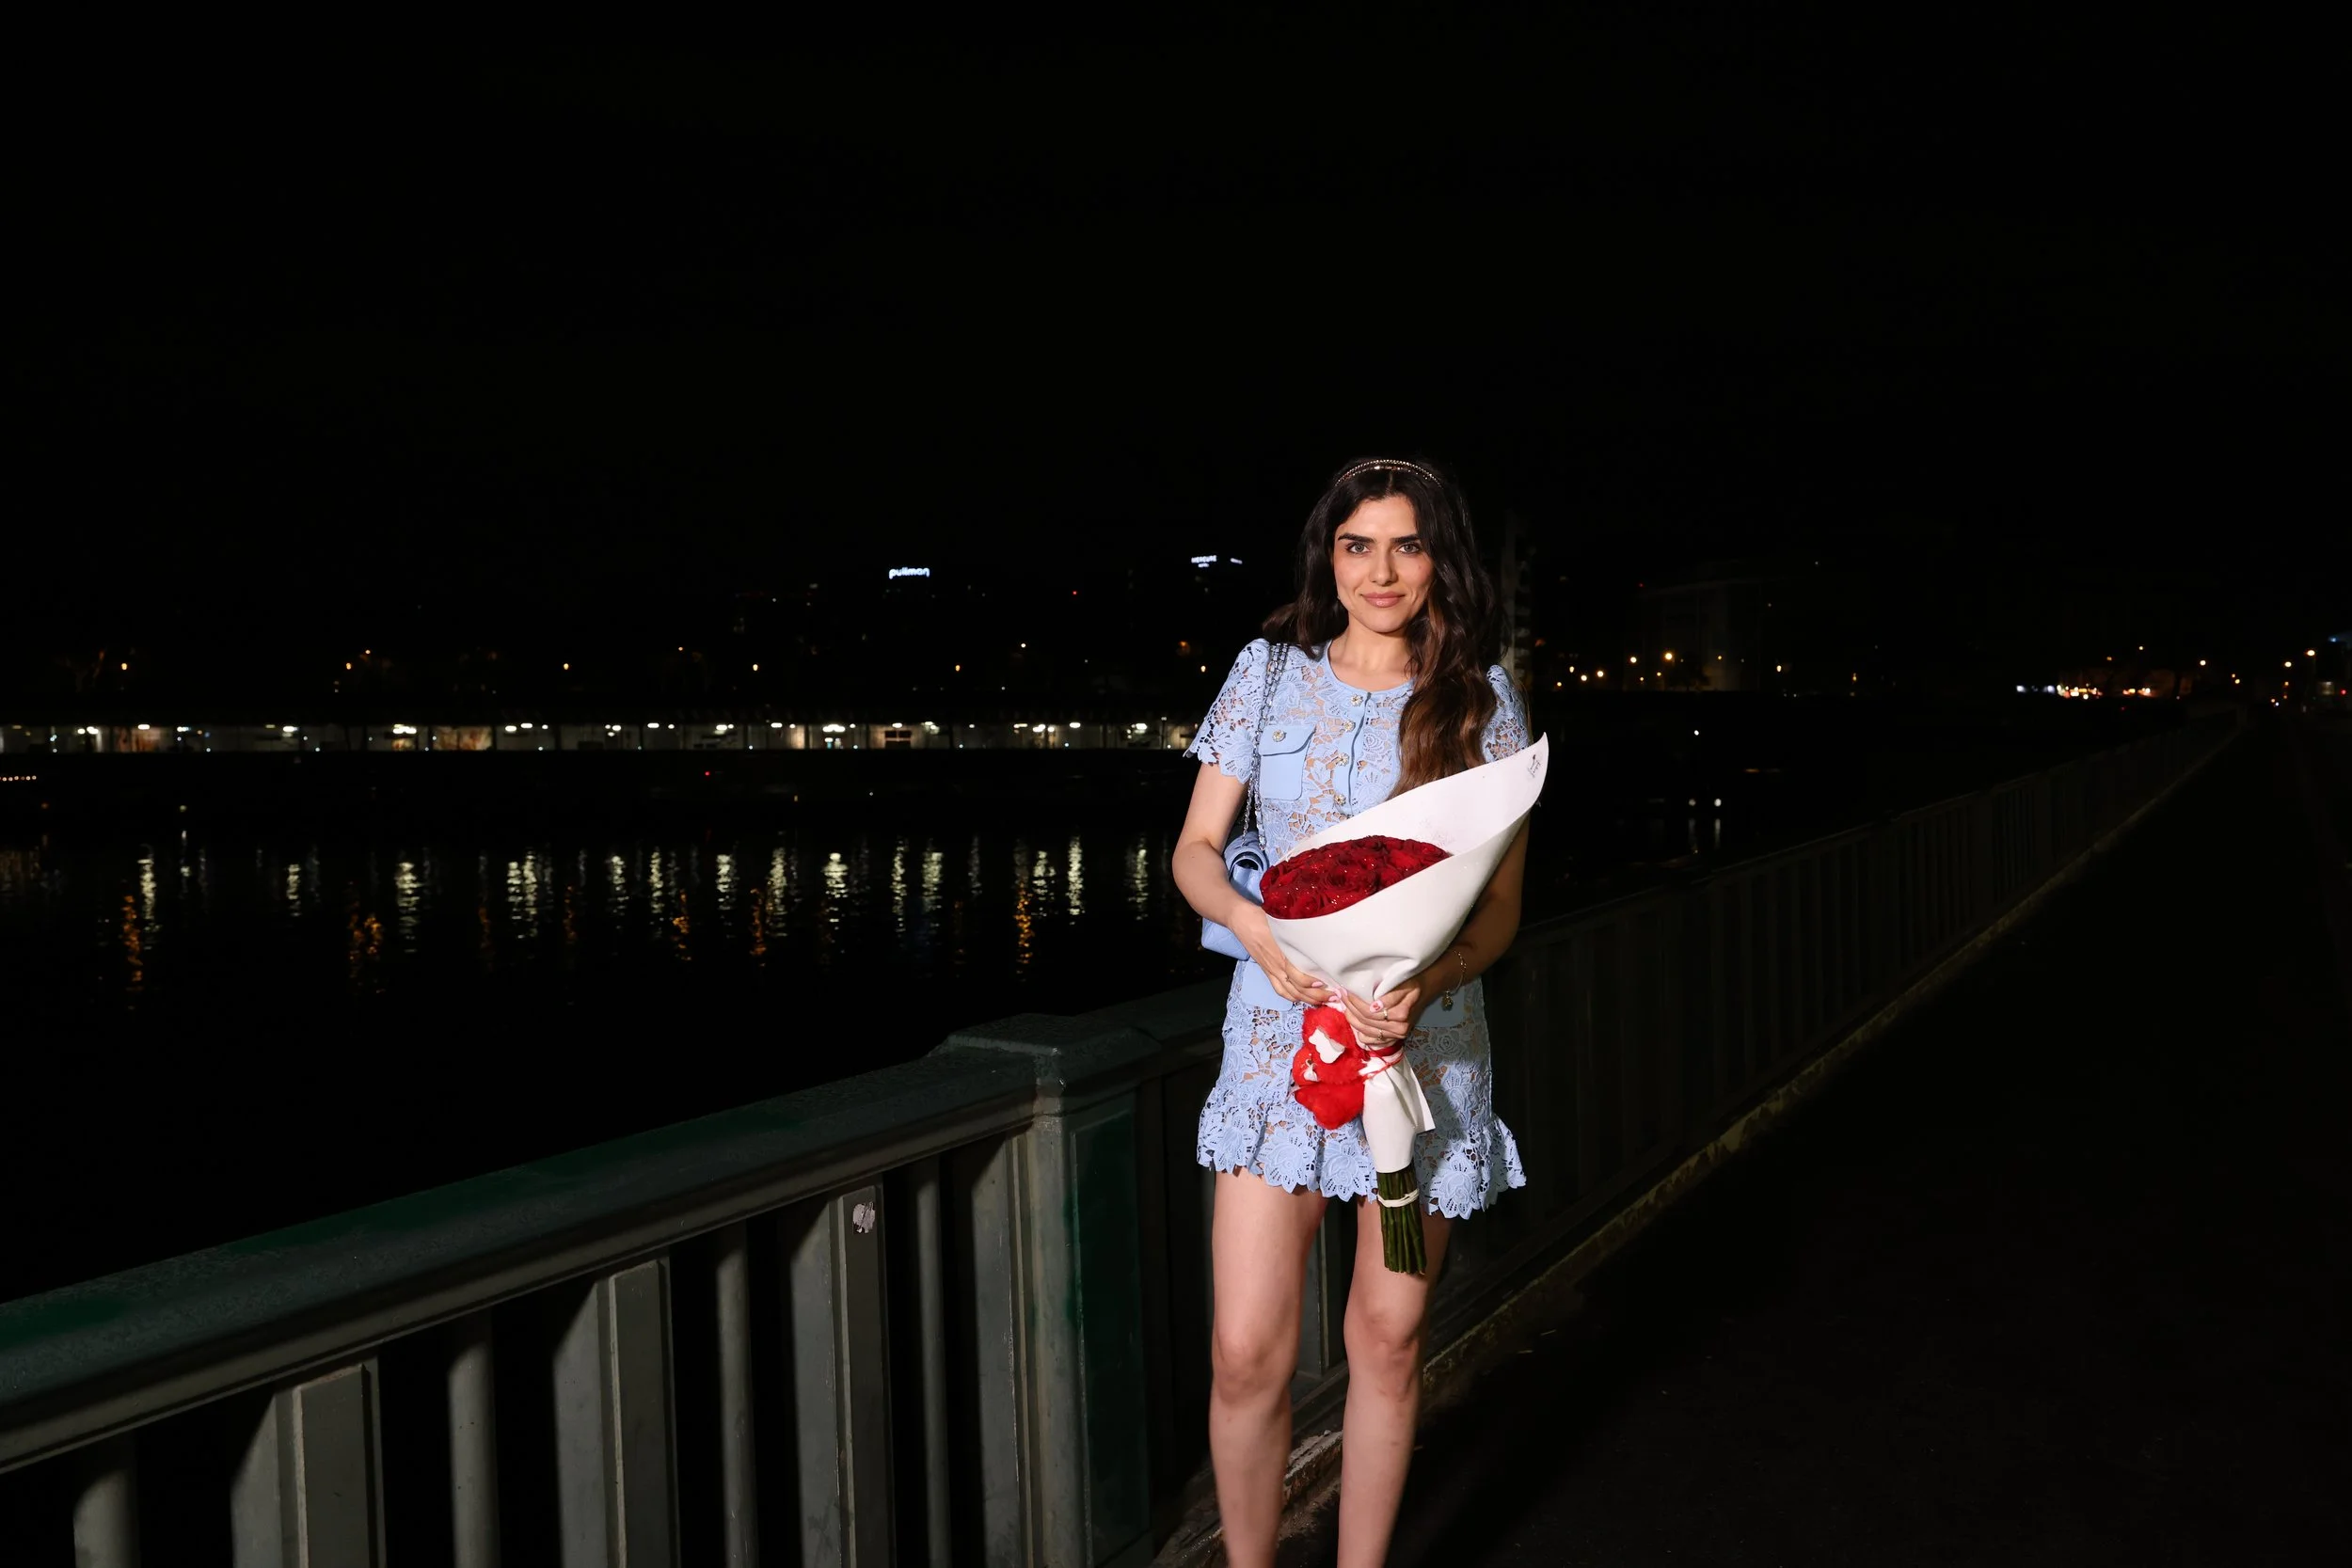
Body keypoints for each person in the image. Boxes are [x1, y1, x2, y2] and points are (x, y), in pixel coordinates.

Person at [1171, 456, 1534, 1567]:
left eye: (1407, 545)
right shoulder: (1266, 675)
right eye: (1357, 545)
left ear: (1438, 560)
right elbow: (1193, 850)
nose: (1381, 570)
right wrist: (1253, 924)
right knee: (1244, 1351)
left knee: (1386, 1336)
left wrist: (1429, 980)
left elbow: (1500, 914)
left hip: (1417, 1053)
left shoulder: (1481, 698)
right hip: (1274, 1044)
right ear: (1327, 558)